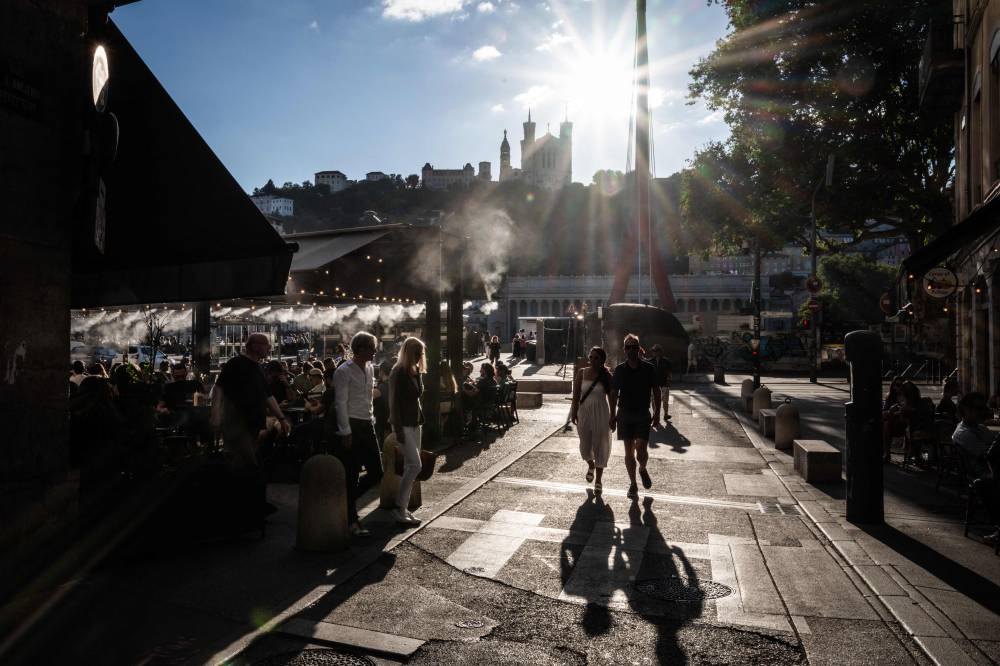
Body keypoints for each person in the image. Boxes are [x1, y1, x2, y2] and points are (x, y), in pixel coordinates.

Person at [210, 333, 291, 516]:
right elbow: (218, 388)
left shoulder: (259, 368)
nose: (269, 348)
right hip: (235, 423)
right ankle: (252, 508)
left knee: (243, 465)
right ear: (254, 346)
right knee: (250, 466)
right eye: (266, 345)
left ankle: (242, 508)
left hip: (252, 425)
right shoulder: (236, 363)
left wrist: (282, 419)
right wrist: (215, 414)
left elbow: (268, 396)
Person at [333, 331, 383, 537]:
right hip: (351, 424)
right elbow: (340, 403)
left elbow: (368, 398)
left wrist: (372, 419)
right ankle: (351, 521)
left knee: (376, 472)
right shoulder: (343, 371)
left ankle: (346, 501)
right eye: (371, 348)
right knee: (351, 473)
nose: (374, 352)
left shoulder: (370, 368)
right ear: (360, 349)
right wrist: (345, 431)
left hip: (367, 423)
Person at [609, 334, 661, 499]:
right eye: (628, 347)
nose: (632, 349)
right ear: (624, 350)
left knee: (642, 451)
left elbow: (656, 391)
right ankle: (633, 484)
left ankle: (642, 468)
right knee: (629, 452)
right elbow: (613, 393)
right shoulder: (619, 370)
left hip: (642, 414)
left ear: (639, 348)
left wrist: (658, 412)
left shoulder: (648, 369)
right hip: (624, 413)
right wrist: (612, 415)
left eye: (635, 346)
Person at [388, 337, 426, 526]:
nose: (420, 356)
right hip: (404, 424)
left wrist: (418, 371)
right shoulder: (398, 372)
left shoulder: (415, 370)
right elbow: (393, 402)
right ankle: (399, 508)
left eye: (421, 353)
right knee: (415, 466)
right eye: (417, 352)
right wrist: (397, 428)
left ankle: (403, 509)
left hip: (416, 422)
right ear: (409, 352)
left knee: (409, 466)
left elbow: (417, 395)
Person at [571, 347, 613, 491]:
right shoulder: (582, 373)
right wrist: (573, 411)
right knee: (585, 445)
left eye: (596, 358)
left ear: (602, 360)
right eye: (591, 357)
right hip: (584, 412)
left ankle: (599, 481)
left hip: (601, 412)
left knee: (600, 445)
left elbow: (612, 397)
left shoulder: (606, 375)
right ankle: (591, 465)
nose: (593, 360)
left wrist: (613, 415)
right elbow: (576, 394)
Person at [952, 392, 996, 478]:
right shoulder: (963, 433)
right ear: (966, 409)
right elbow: (988, 455)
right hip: (984, 474)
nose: (981, 412)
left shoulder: (980, 427)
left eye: (982, 408)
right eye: (978, 408)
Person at [648, 344, 672, 423]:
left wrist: (669, 380)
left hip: (664, 383)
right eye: (654, 351)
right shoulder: (650, 361)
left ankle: (665, 414)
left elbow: (669, 372)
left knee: (665, 400)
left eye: (657, 351)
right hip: (654, 384)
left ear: (661, 352)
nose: (656, 353)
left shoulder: (666, 361)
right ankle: (655, 414)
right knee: (653, 400)